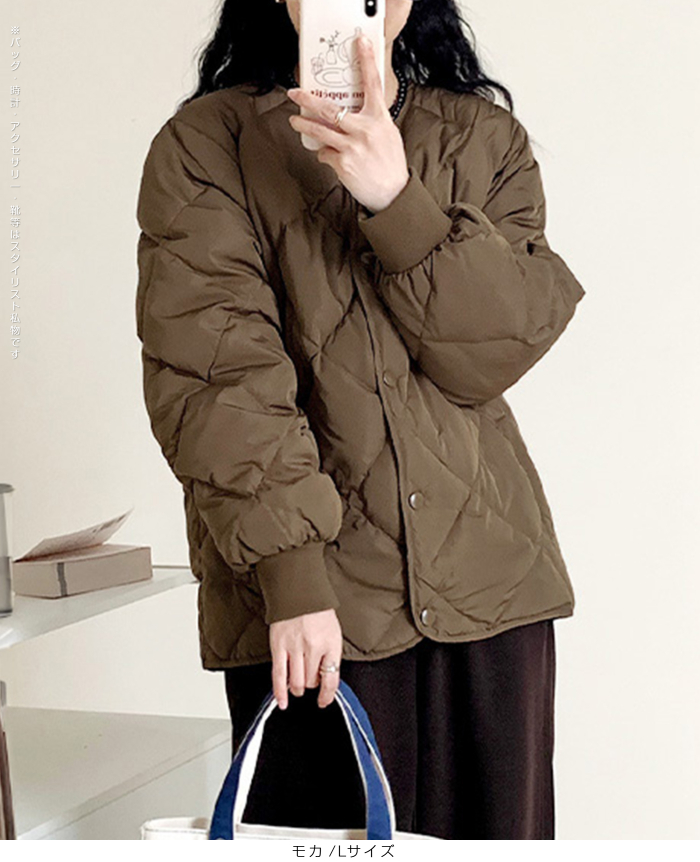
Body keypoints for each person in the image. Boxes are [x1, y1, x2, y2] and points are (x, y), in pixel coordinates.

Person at [135, 0, 585, 840]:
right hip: (315, 611)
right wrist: (292, 578)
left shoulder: (482, 138)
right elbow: (216, 378)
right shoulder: (206, 147)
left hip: (492, 598)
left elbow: (491, 354)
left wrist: (396, 198)